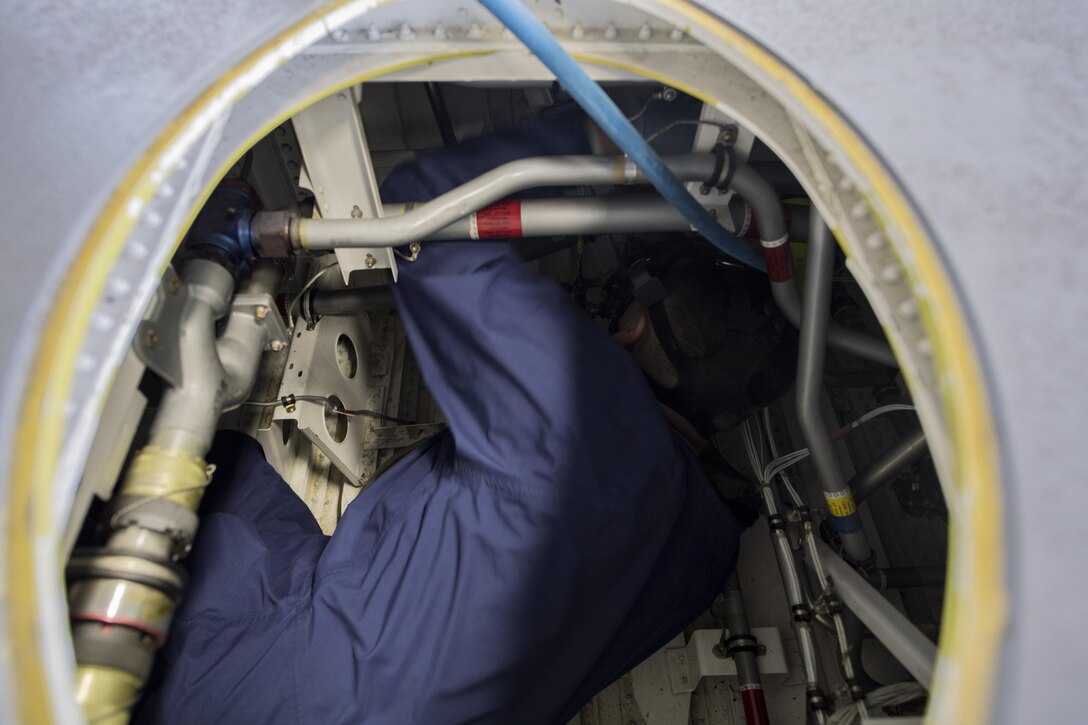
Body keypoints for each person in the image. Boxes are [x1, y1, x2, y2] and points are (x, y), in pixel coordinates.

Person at [134, 117, 790, 724]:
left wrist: (610, 125)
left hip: (280, 697)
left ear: (636, 322)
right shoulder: (709, 551)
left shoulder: (593, 412)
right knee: (237, 467)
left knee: (184, 473)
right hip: (350, 652)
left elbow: (422, 208)